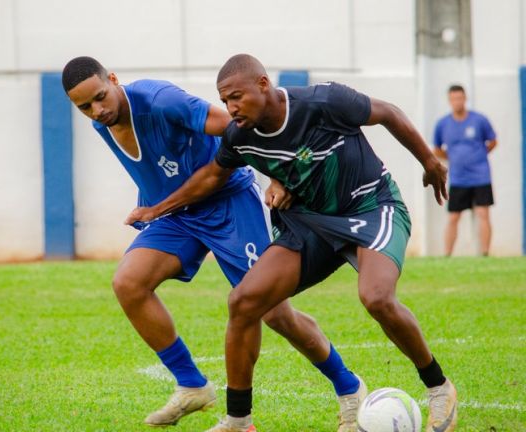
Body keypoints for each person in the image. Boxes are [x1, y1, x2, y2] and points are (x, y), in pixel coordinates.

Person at [126, 54, 458, 432]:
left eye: (237, 97)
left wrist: (429, 162)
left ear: (263, 85)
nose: (231, 108)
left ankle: (439, 387)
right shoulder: (240, 134)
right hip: (311, 222)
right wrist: (157, 209)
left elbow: (389, 113)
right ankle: (239, 419)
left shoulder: (324, 102)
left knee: (377, 297)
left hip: (370, 206)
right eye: (224, 101)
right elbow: (213, 176)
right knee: (244, 302)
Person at [61, 56, 367, 431]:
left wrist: (278, 175)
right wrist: (151, 204)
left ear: (112, 78)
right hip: (175, 213)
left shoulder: (160, 100)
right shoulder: (103, 124)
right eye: (84, 107)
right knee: (129, 282)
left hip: (228, 202)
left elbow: (236, 127)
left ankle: (348, 387)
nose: (97, 110)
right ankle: (192, 386)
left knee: (274, 313)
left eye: (100, 97)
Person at [434, 84, 497, 256]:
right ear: (449, 100)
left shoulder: (479, 120)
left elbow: (492, 141)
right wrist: (454, 158)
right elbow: (436, 149)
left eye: (460, 98)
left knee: (482, 213)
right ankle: (447, 255)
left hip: (480, 176)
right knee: (453, 216)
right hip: (458, 178)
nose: (457, 102)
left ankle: (485, 253)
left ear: (465, 98)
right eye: (453, 99)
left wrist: (477, 156)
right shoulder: (443, 124)